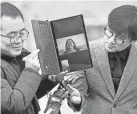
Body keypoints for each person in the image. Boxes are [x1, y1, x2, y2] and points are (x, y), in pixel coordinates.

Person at [1, 2, 81, 114]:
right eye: (12, 36)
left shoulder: (16, 57)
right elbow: (12, 105)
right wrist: (30, 72)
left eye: (21, 33)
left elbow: (26, 94)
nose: (19, 40)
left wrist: (49, 80)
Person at [68, 5, 137, 114]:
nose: (111, 41)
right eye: (109, 32)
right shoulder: (84, 51)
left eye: (120, 38)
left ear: (132, 40)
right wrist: (76, 99)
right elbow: (78, 92)